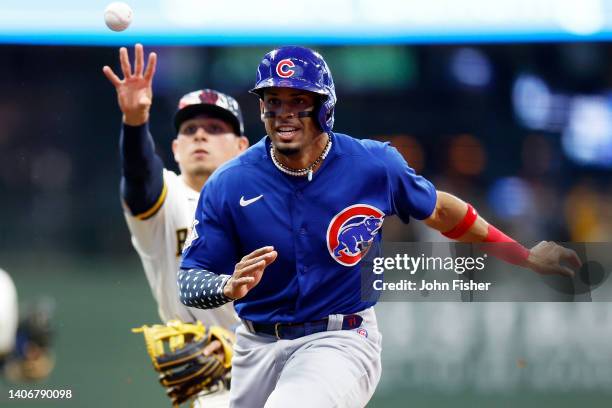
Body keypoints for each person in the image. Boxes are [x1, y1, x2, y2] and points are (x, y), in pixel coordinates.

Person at [177, 46, 582, 408]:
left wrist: (523, 255)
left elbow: (442, 211)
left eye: (298, 100)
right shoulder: (230, 183)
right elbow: (190, 279)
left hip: (339, 338)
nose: (284, 112)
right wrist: (225, 286)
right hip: (254, 344)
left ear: (323, 106)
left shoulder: (373, 166)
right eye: (273, 101)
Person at [102, 44, 249, 407]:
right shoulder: (167, 199)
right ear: (176, 148)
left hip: (285, 366)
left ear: (242, 147)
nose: (200, 135)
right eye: (190, 129)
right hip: (214, 385)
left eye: (215, 128)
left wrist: (253, 347)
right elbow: (139, 176)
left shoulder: (270, 202)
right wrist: (135, 121)